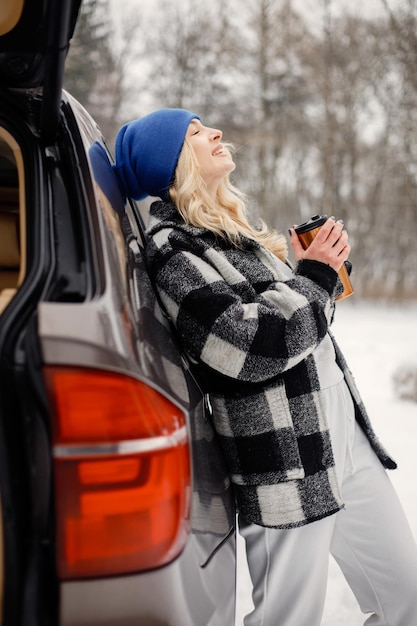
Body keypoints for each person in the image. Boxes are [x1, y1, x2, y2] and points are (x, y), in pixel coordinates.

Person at [112, 108, 417, 626]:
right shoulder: (173, 249)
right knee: (287, 617)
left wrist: (322, 274)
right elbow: (247, 346)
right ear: (172, 160)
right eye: (195, 132)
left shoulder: (233, 232)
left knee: (406, 598)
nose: (215, 133)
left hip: (342, 437)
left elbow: (301, 324)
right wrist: (314, 277)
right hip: (284, 460)